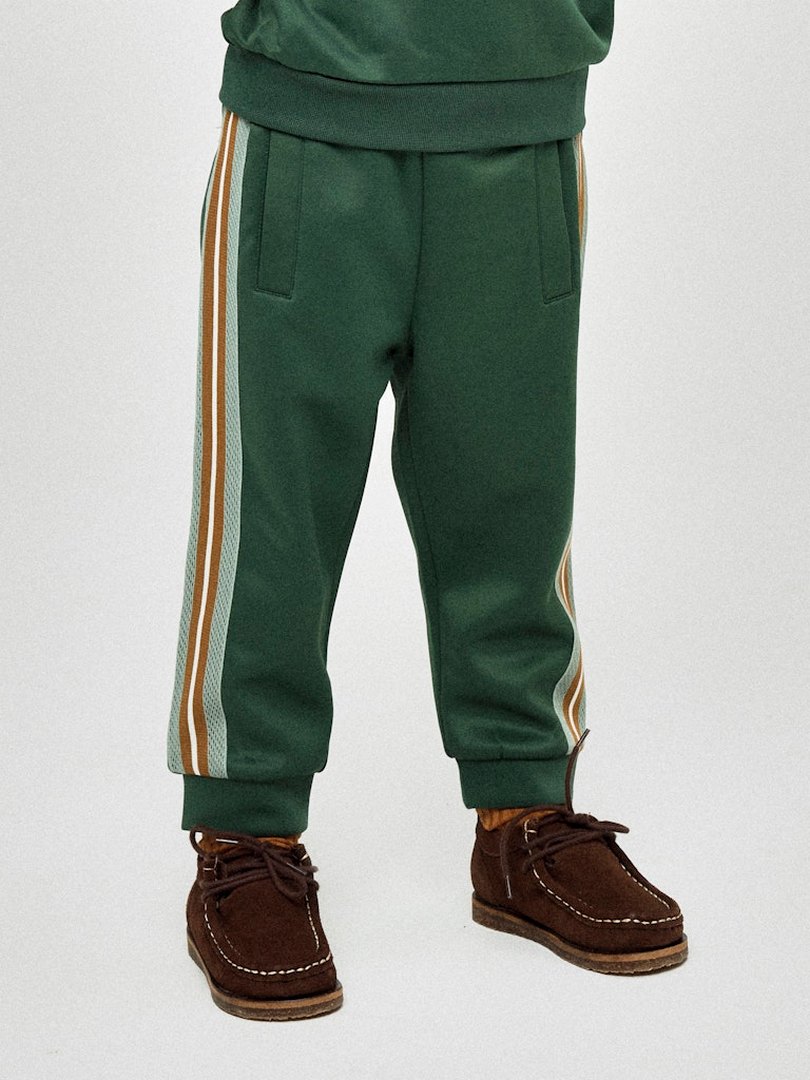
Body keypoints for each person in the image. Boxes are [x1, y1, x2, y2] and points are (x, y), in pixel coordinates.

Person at [167, 1, 688, 1021]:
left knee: (515, 494)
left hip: (523, 106)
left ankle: (523, 819)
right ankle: (244, 832)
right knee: (271, 508)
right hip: (309, 112)